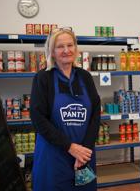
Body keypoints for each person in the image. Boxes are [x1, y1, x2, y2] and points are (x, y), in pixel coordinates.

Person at [30, 27, 100, 191]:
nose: (66, 50)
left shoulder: (85, 77)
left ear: (76, 49)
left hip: (83, 156)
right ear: (52, 51)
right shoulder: (43, 78)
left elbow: (95, 114)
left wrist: (85, 151)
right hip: (53, 157)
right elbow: (38, 119)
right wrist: (70, 147)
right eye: (60, 46)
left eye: (70, 45)